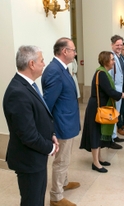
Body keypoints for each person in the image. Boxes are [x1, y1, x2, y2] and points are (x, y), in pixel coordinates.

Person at [3, 45, 59, 206]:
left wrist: (51, 135)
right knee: (32, 201)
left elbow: (40, 117)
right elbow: (28, 134)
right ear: (32, 64)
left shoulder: (29, 85)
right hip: (28, 159)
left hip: (36, 156)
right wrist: (50, 147)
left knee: (38, 198)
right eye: (42, 60)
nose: (44, 63)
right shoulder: (17, 92)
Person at [42, 37, 80, 206]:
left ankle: (63, 183)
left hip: (68, 121)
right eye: (73, 50)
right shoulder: (54, 71)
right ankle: (56, 197)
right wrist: (51, 129)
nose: (75, 53)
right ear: (65, 51)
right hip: (61, 124)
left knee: (66, 158)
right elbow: (47, 104)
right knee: (61, 161)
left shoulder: (62, 68)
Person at [79, 51, 124, 173]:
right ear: (106, 61)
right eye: (112, 59)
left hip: (100, 106)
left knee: (99, 133)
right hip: (97, 108)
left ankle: (99, 158)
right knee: (96, 133)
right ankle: (95, 163)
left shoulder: (103, 72)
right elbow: (110, 91)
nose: (113, 62)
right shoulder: (101, 73)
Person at [108, 35, 124, 149]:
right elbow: (110, 75)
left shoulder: (120, 57)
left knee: (117, 113)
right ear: (112, 45)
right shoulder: (111, 57)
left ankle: (114, 135)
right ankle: (111, 138)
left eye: (121, 45)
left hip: (121, 89)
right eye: (117, 45)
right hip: (115, 89)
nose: (119, 47)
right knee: (113, 114)